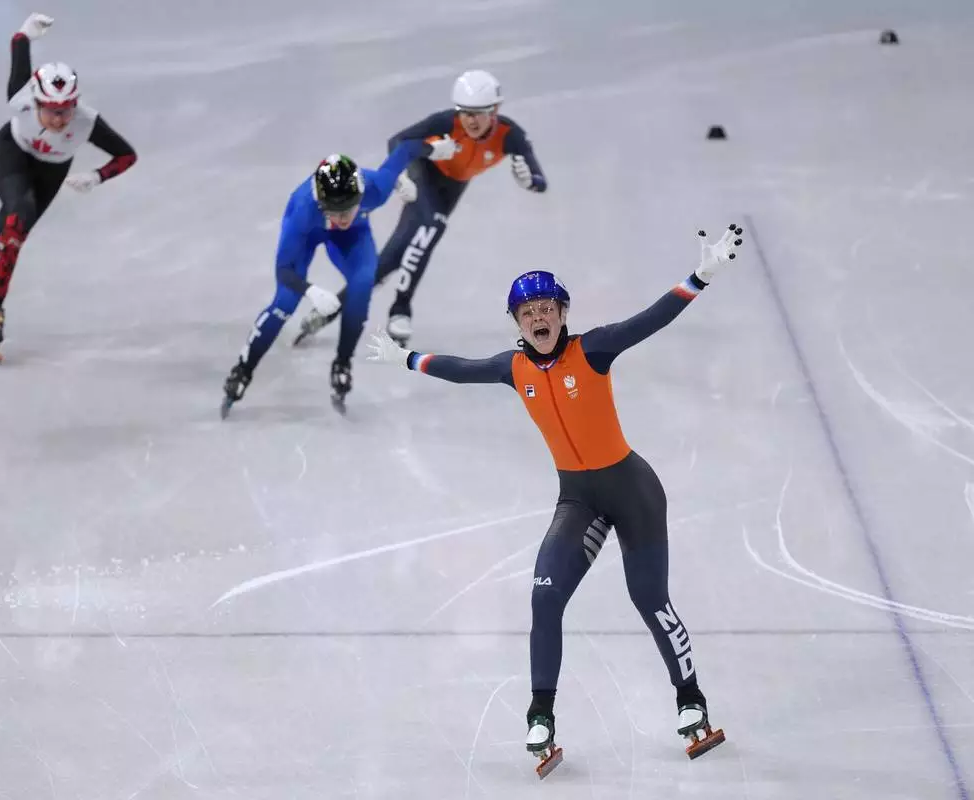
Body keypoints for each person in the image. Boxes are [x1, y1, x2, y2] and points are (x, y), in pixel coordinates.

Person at [366, 226, 744, 776]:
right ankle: (541, 712)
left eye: (547, 308)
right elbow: (460, 369)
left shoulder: (593, 349)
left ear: (563, 314)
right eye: (527, 313)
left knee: (648, 599)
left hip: (633, 492)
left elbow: (650, 319)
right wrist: (405, 359)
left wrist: (700, 277)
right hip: (579, 500)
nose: (538, 319)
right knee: (544, 597)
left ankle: (690, 700)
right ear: (517, 325)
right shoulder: (512, 368)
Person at [0, 12, 137, 361]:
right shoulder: (19, 97)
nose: (60, 118)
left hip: (49, 175)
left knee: (4, 238)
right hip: (11, 156)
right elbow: (18, 46)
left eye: (66, 109)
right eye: (50, 109)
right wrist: (26, 33)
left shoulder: (87, 123)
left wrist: (97, 176)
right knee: (18, 214)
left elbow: (127, 155)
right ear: (35, 100)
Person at [294, 69, 546, 349]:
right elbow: (397, 142)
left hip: (452, 190)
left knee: (391, 258)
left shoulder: (511, 135)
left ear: (495, 110)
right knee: (431, 228)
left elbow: (539, 179)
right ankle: (401, 308)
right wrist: (400, 177)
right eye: (464, 112)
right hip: (423, 177)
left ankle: (332, 309)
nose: (470, 120)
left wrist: (529, 181)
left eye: (478, 112)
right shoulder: (446, 123)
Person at [220, 136, 457, 417]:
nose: (342, 217)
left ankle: (343, 363)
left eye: (349, 208)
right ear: (321, 204)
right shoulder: (302, 211)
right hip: (309, 235)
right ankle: (243, 369)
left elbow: (406, 150)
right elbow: (284, 272)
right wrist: (309, 290)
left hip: (353, 237)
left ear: (360, 195)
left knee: (362, 283)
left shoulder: (376, 189)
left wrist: (436, 149)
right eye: (334, 211)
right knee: (285, 301)